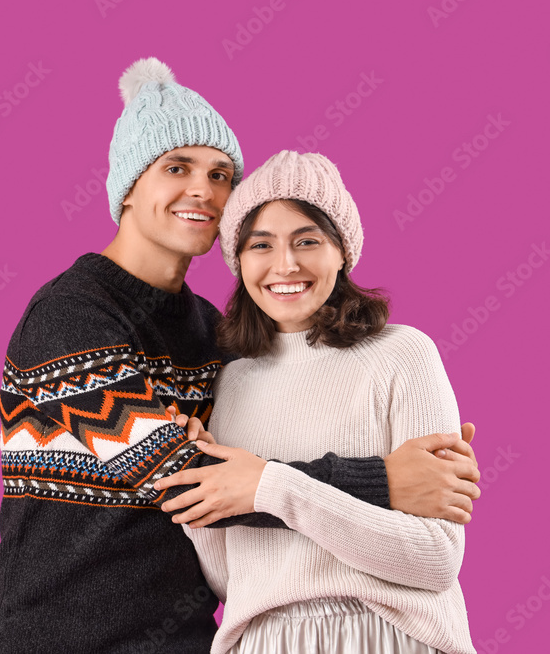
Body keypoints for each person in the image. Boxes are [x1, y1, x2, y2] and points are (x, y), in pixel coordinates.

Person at [0, 58, 480, 654]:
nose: (203, 189)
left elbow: (236, 492)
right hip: (61, 636)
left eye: (221, 174)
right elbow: (184, 481)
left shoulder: (214, 337)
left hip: (188, 637)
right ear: (128, 187)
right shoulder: (73, 315)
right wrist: (385, 480)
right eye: (176, 168)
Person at [155, 150, 474, 653]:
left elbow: (433, 558)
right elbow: (231, 579)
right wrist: (200, 489)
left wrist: (273, 485)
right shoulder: (231, 382)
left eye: (307, 240)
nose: (285, 265)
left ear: (342, 251)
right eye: (261, 245)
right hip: (264, 641)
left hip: (386, 634)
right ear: (238, 261)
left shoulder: (403, 356)